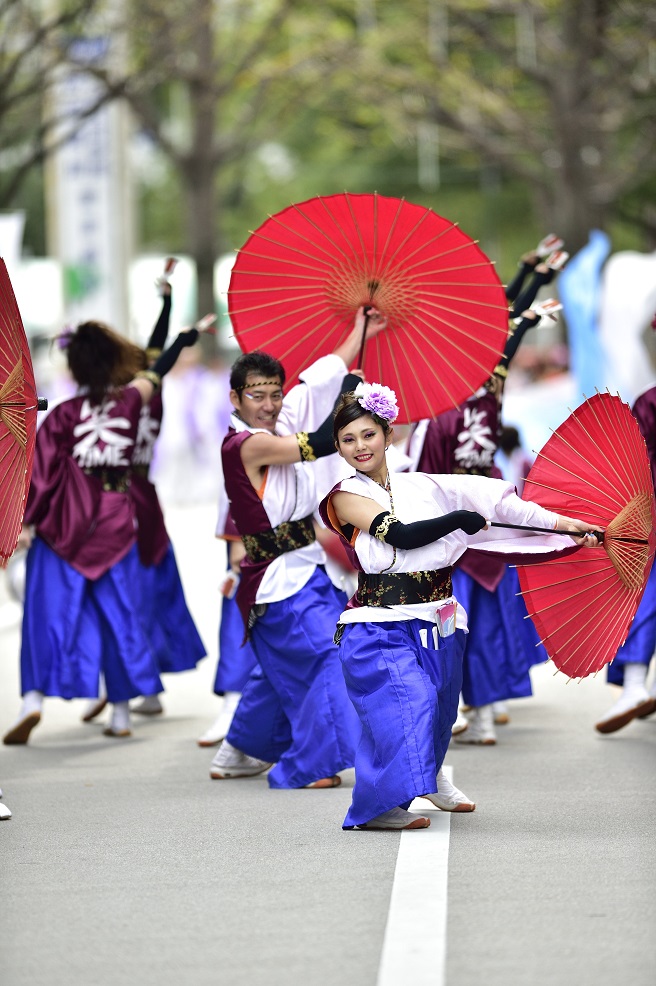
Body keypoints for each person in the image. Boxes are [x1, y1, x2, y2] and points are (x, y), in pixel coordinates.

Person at [320, 383, 600, 830]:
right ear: (336, 447)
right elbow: (401, 535)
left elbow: (505, 507)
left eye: (368, 435)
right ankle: (376, 806)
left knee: (442, 707)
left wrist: (568, 526)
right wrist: (457, 520)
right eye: (348, 439)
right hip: (380, 622)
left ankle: (426, 778)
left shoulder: (428, 485)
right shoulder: (343, 496)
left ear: (388, 435)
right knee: (409, 701)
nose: (360, 447)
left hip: (439, 614)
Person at [208, 306, 386, 789]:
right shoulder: (243, 444)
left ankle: (239, 748)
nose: (267, 404)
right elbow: (323, 442)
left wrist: (361, 330)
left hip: (307, 565)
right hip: (275, 576)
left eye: (273, 393)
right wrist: (353, 395)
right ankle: (308, 764)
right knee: (325, 653)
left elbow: (322, 375)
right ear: (236, 398)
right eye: (256, 395)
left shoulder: (284, 415)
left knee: (284, 664)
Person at [2, 319, 199, 745]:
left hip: (63, 525)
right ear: (113, 363)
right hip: (115, 520)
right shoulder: (130, 401)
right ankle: (121, 713)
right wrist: (181, 340)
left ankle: (32, 701)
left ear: (74, 367)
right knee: (120, 615)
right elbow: (154, 371)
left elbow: (41, 477)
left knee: (44, 611)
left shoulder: (60, 416)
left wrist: (25, 524)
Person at [82, 269, 207, 723]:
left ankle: (126, 677)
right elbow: (159, 356)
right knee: (149, 585)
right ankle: (133, 678)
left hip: (114, 498)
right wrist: (169, 309)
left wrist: (171, 317)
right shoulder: (145, 391)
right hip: (143, 497)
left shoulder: (123, 397)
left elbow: (158, 356)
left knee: (121, 588)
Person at [595, 367, 656, 733]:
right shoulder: (649, 401)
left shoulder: (650, 401)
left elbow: (634, 465)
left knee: (642, 596)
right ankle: (635, 686)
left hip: (650, 519)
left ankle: (635, 685)